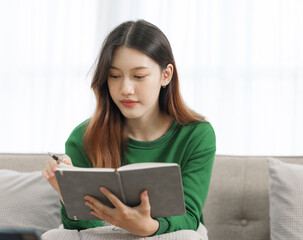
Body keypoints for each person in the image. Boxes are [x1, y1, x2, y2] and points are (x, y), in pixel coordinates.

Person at [42, 19, 216, 237]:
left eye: (139, 76)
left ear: (166, 75)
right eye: (114, 76)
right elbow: (80, 229)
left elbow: (189, 217)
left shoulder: (196, 134)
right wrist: (67, 194)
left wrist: (147, 227)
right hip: (105, 232)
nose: (125, 89)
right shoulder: (83, 137)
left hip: (169, 231)